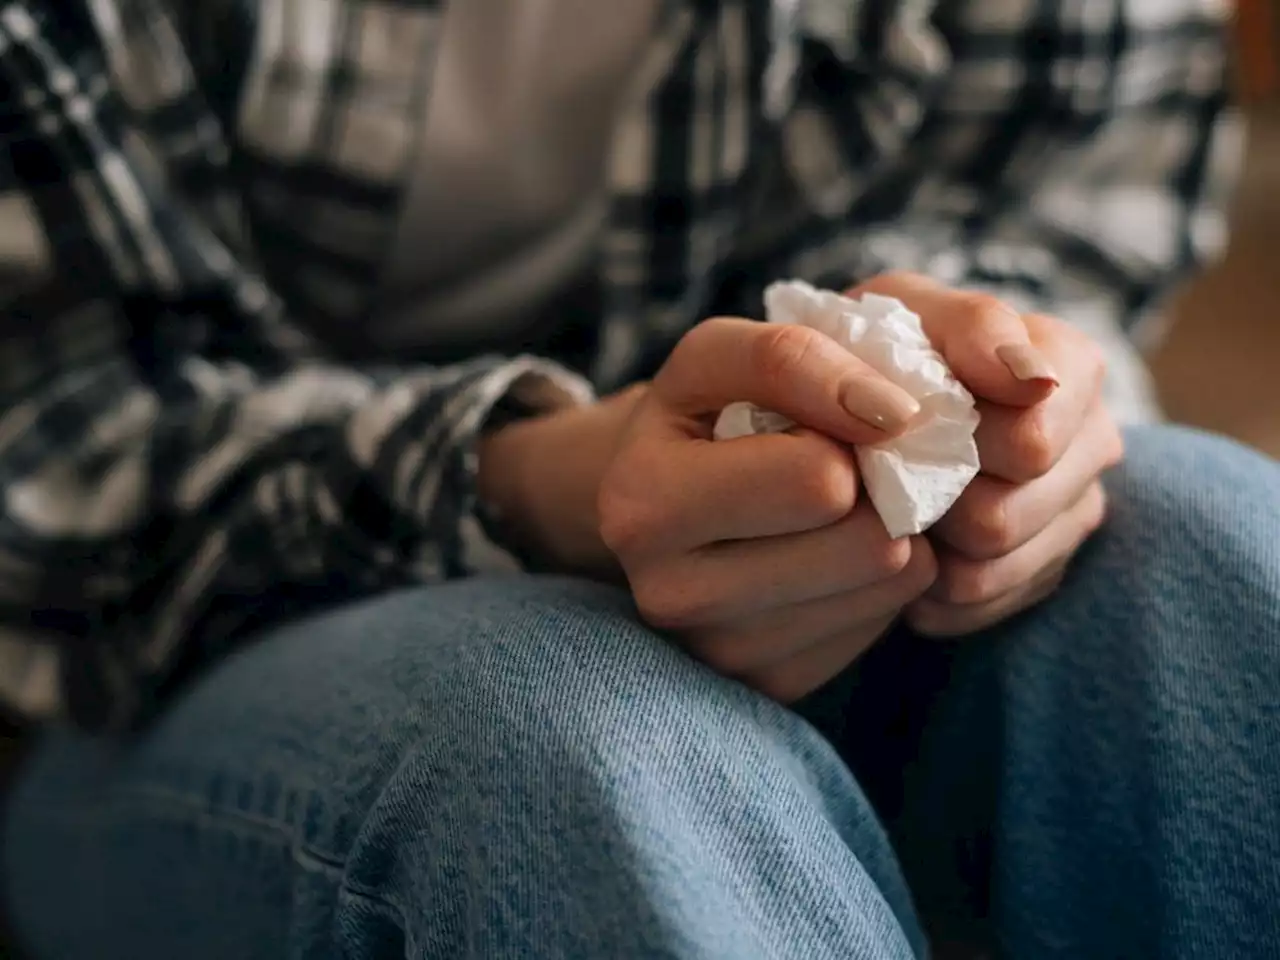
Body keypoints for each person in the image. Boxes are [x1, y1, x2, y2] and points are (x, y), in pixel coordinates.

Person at [1, 0, 1277, 957]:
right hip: (165, 660)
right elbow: (55, 457)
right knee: (581, 748)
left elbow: (1050, 220)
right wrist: (535, 479)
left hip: (858, 590)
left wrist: (1007, 396)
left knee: (1212, 558)